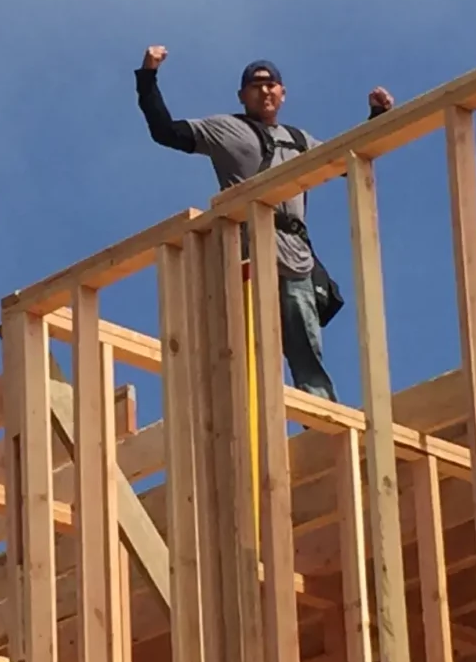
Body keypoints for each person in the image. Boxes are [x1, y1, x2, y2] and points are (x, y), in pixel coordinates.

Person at [136, 46, 392, 400]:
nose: (265, 90)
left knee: (306, 353)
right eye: (256, 86)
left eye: (272, 84)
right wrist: (148, 75)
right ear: (243, 95)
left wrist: (376, 117)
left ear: (283, 94)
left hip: (294, 260)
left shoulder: (300, 141)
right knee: (241, 354)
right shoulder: (226, 129)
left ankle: (321, 430)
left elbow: (347, 160)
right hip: (246, 255)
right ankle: (238, 430)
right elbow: (165, 131)